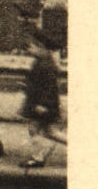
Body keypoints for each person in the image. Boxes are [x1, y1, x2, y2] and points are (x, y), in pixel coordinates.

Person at [19, 23, 66, 169]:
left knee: (36, 130)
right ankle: (40, 156)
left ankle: (38, 157)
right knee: (50, 132)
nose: (30, 51)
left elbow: (49, 87)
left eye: (31, 47)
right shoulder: (43, 62)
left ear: (42, 47)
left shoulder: (45, 65)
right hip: (43, 104)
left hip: (43, 105)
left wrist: (43, 104)